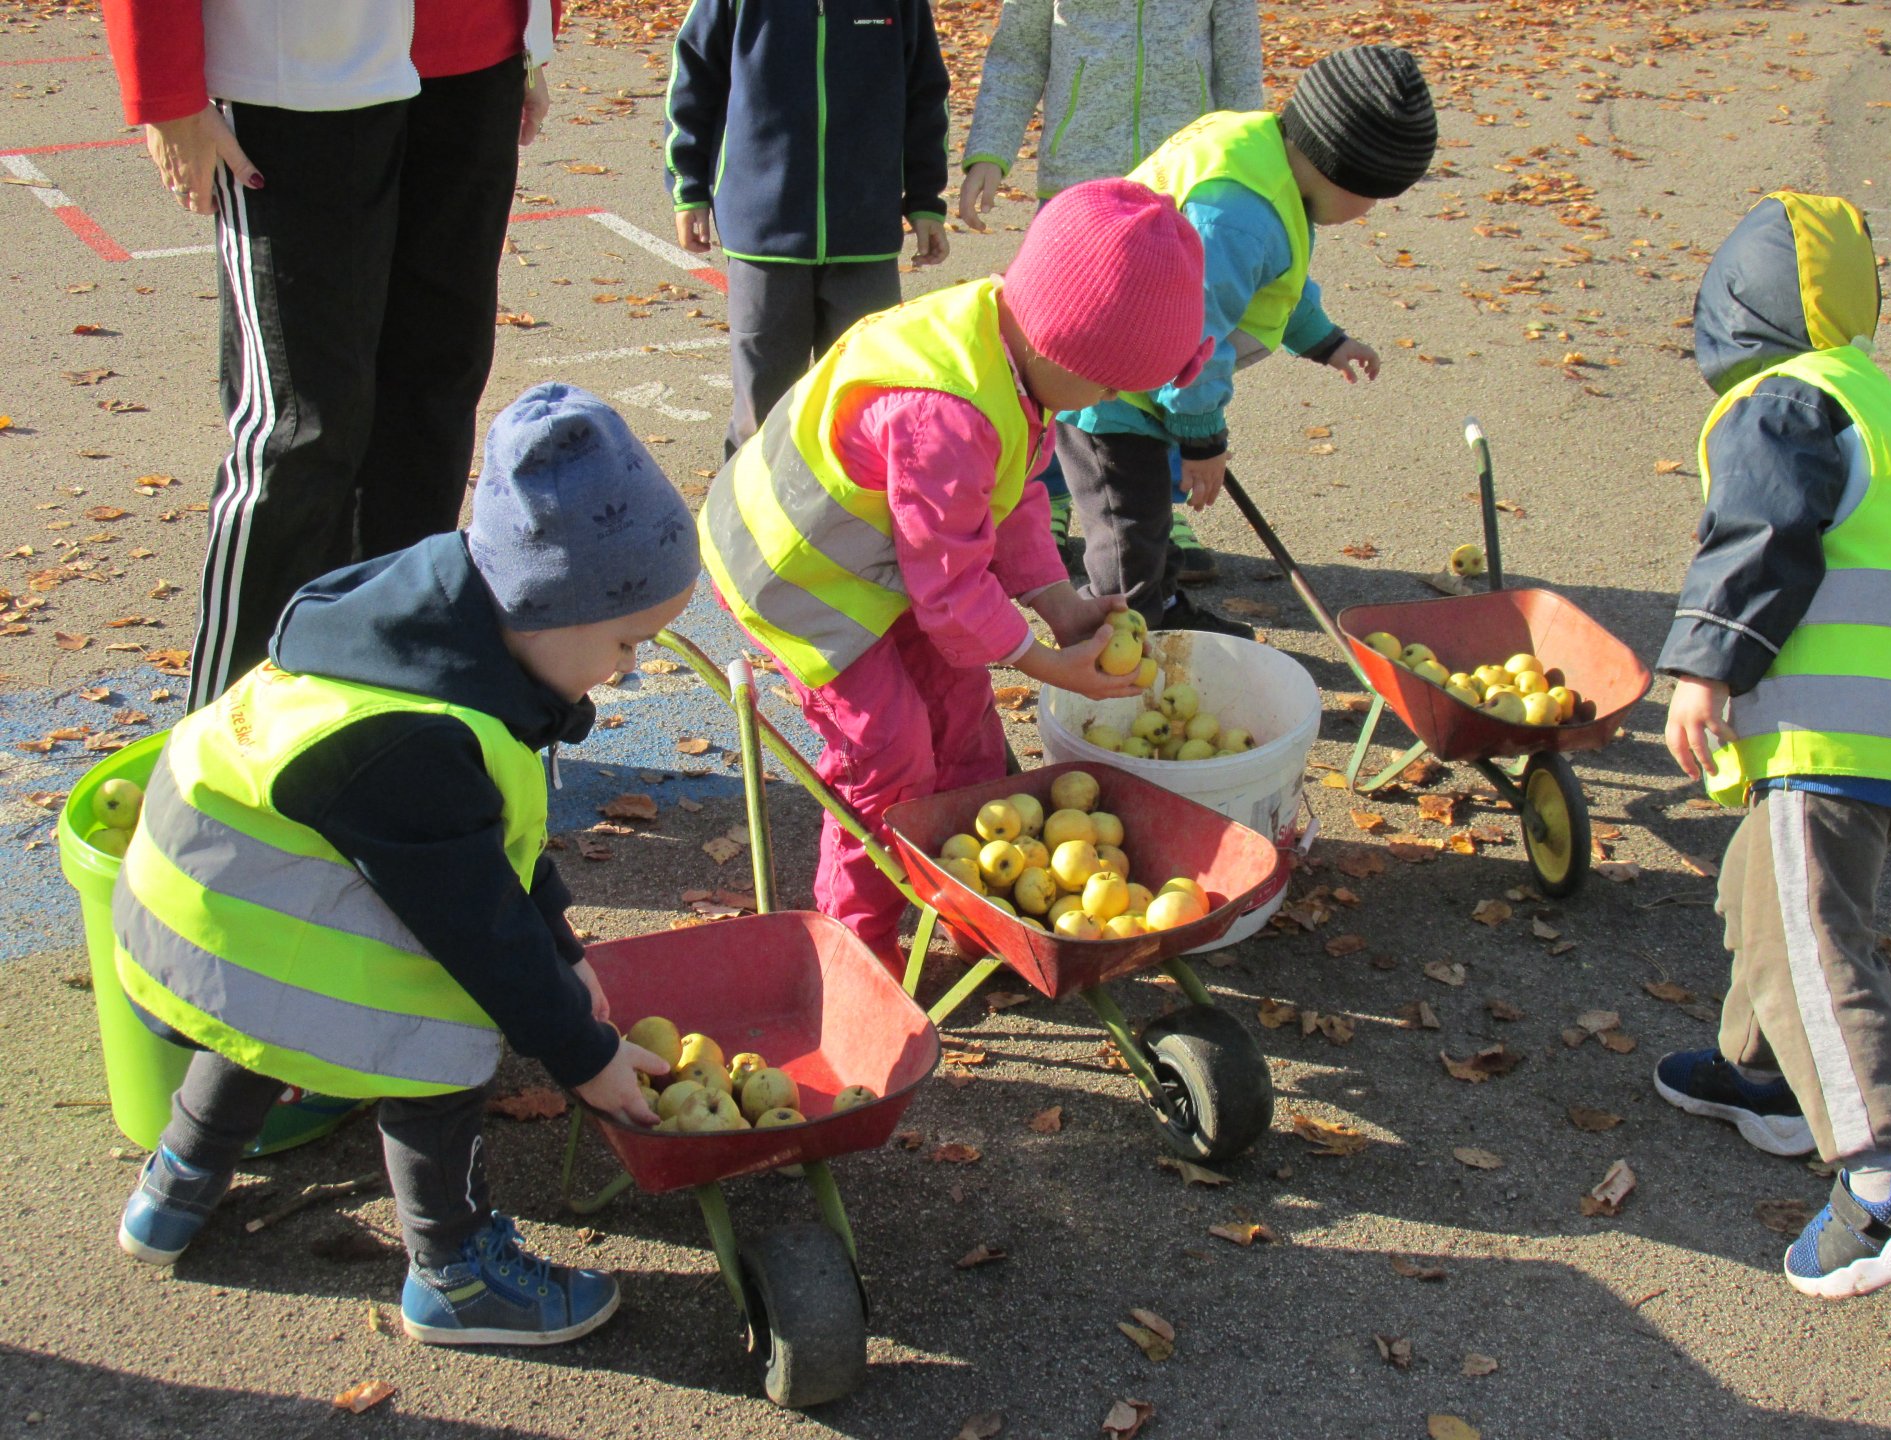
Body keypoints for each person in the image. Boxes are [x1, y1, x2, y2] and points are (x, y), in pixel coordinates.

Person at [113, 384, 696, 1346]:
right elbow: (480, 929)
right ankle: (455, 1271)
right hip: (237, 925)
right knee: (442, 1027)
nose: (629, 670)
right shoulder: (414, 745)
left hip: (214, 919)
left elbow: (485, 844)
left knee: (264, 1012)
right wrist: (582, 1055)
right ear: (546, 609)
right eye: (625, 643)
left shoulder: (436, 620)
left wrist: (563, 937)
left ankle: (176, 1186)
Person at [697, 179, 1210, 970]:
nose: (1097, 405)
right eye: (1107, 386)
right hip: (800, 580)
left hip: (883, 557)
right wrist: (1041, 660)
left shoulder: (1010, 350)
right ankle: (857, 947)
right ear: (1062, 346)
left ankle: (977, 912)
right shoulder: (947, 411)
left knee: (965, 718)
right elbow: (951, 589)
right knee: (889, 753)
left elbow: (1006, 502)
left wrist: (1060, 605)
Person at [101, 0, 563, 712]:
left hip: (477, 54)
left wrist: (531, 30)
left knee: (431, 402)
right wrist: (164, 89)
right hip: (297, 63)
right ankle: (227, 735)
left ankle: (383, 716)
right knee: (304, 427)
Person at [1652, 191, 1891, 1299]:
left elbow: (1760, 537)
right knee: (1759, 898)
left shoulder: (1781, 402)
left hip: (1823, 728)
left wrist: (1705, 660)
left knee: (1806, 935)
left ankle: (1886, 1175)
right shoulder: (1877, 401)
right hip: (1882, 732)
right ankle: (1761, 1077)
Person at [1052, 44, 1437, 637]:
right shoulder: (1237, 215)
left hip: (1144, 380)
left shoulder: (1265, 158)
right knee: (1127, 528)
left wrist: (1326, 340)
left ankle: (1161, 611)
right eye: (1375, 195)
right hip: (1106, 389)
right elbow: (1191, 341)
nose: (1372, 210)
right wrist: (1204, 442)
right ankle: (1116, 639)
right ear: (1339, 164)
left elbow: (1276, 282)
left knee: (1150, 517)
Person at [956, 0, 1267, 582]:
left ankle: (1156, 502)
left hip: (1182, 190)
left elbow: (1239, 68)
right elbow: (1020, 49)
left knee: (1165, 355)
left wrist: (1246, 171)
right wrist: (991, 151)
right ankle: (1045, 493)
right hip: (1080, 187)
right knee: (1060, 351)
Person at [663, 0, 952, 458]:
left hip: (864, 237)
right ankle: (746, 526)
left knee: (867, 410)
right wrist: (690, 188)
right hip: (763, 235)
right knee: (762, 414)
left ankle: (858, 528)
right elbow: (694, 79)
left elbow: (924, 91)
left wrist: (925, 199)